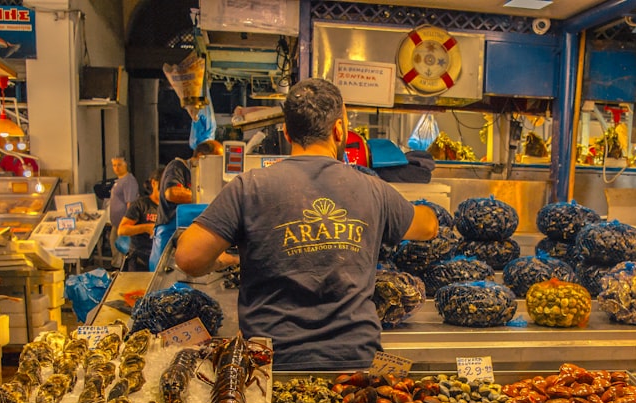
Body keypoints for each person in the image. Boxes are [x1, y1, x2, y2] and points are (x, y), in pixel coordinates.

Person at [175, 78, 438, 371]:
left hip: (271, 364)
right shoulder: (372, 189)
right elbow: (427, 227)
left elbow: (189, 258)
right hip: (355, 366)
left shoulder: (249, 186)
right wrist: (423, 207)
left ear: (287, 133)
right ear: (339, 129)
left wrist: (224, 259)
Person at [150, 139, 224, 270]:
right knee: (161, 277)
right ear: (202, 156)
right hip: (168, 233)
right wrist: (207, 196)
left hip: (189, 235)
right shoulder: (178, 166)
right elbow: (172, 193)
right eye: (217, 160)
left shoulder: (206, 177)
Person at [117, 171, 160, 272]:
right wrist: (146, 227)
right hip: (140, 259)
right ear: (154, 183)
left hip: (161, 258)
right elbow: (122, 230)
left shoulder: (171, 207)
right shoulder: (140, 205)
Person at [108, 155, 139, 259]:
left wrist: (127, 222)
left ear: (126, 165)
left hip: (123, 223)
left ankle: (120, 269)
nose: (116, 168)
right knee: (114, 244)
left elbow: (130, 204)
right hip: (116, 223)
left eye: (119, 165)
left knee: (122, 249)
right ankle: (117, 266)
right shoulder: (119, 181)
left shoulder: (128, 181)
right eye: (114, 165)